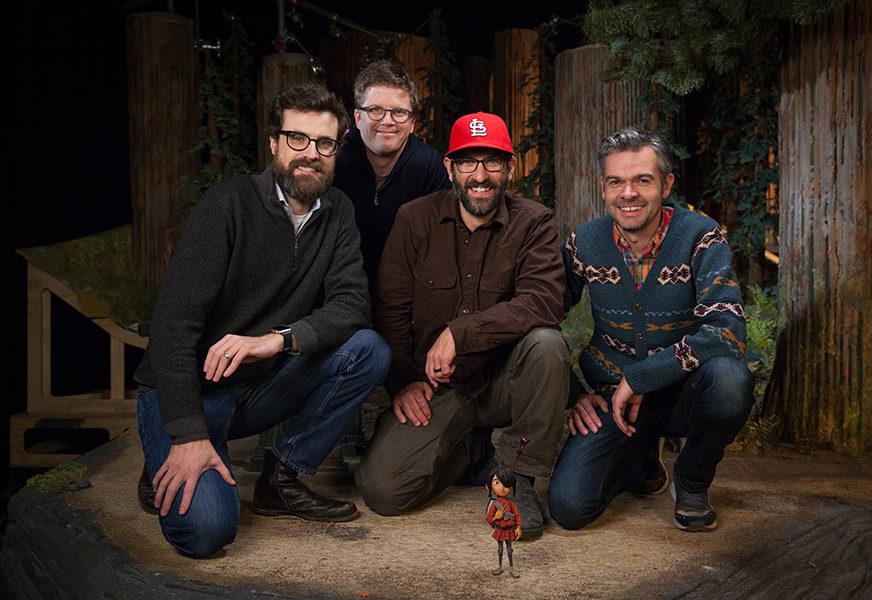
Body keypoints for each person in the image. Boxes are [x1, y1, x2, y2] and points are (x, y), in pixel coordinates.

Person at [132, 83, 391, 557]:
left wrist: (278, 340)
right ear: (273, 143)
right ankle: (164, 453)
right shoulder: (227, 206)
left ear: (336, 150)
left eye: (324, 144)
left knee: (368, 349)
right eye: (297, 139)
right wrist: (188, 432)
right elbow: (172, 328)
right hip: (196, 390)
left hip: (262, 384)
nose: (310, 154)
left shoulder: (337, 213)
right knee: (208, 531)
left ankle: (282, 478)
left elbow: (352, 304)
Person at [356, 112, 570, 540]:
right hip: (440, 389)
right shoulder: (414, 219)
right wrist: (402, 381)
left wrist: (460, 332)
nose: (480, 176)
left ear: (510, 168)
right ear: (449, 168)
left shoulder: (535, 222)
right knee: (383, 491)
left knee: (547, 345)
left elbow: (544, 301)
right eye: (468, 162)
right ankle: (474, 451)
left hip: (505, 383)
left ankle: (516, 479)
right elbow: (390, 308)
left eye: (492, 162)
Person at [547, 127, 753, 532]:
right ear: (603, 188)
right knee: (570, 508)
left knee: (730, 380)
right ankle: (639, 459)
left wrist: (642, 376)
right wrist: (571, 393)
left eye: (642, 180)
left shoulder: (700, 236)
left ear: (666, 184)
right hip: (612, 399)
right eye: (616, 182)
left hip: (684, 393)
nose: (628, 193)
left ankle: (691, 479)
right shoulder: (584, 243)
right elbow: (539, 318)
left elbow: (728, 330)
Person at [333, 59, 450, 288]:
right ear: (357, 118)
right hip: (338, 290)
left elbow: (442, 246)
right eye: (375, 110)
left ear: (412, 122)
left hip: (406, 294)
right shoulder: (335, 159)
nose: (387, 121)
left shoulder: (429, 167)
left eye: (398, 112)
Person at [486, 466, 522, 578]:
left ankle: (512, 568)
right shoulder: (494, 504)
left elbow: (517, 515)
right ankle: (500, 566)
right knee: (500, 549)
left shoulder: (510, 503)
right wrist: (496, 517)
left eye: (506, 485)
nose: (502, 488)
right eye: (497, 483)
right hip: (500, 529)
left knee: (510, 550)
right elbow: (488, 518)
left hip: (509, 529)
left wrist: (519, 527)